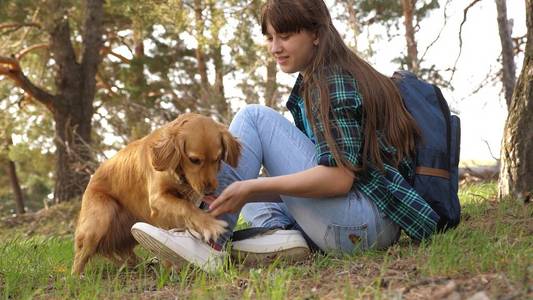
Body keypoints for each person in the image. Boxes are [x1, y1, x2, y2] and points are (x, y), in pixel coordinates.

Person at [131, 0, 440, 273]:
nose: (275, 47)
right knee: (246, 183)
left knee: (253, 119)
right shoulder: (318, 80)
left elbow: (339, 180)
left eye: (286, 36)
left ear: (317, 34)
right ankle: (278, 236)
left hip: (363, 223)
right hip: (359, 222)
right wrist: (248, 188)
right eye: (270, 37)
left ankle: (207, 244)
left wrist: (252, 186)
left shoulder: (334, 83)